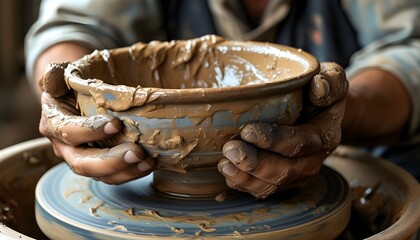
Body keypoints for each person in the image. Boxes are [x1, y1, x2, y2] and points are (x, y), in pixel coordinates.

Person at [25, 0, 420, 198]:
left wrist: (341, 111)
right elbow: (74, 26)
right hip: (138, 183)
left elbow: (411, 45)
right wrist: (68, 92)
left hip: (356, 161)